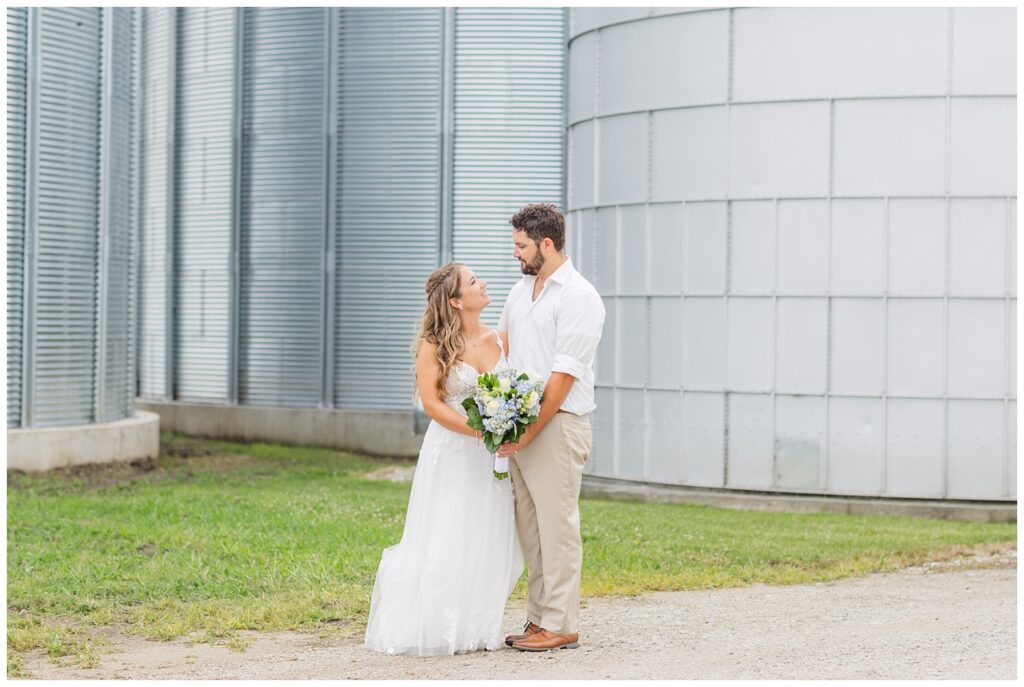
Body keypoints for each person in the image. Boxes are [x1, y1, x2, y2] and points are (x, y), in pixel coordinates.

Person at [364, 263, 524, 656]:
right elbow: (433, 404)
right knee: (446, 532)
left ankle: (476, 626)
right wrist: (482, 432)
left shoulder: (500, 339)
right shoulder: (434, 345)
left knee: (487, 532)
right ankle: (436, 625)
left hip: (490, 459)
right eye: (473, 282)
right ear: (455, 301)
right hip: (452, 452)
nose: (482, 284)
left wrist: (509, 428)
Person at [496, 203, 606, 652]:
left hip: (556, 426)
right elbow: (500, 348)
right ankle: (538, 619)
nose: (515, 254)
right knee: (531, 529)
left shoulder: (579, 297)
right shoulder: (521, 291)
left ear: (546, 244)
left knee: (557, 527)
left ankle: (561, 622)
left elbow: (561, 380)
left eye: (521, 246)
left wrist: (528, 431)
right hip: (521, 425)